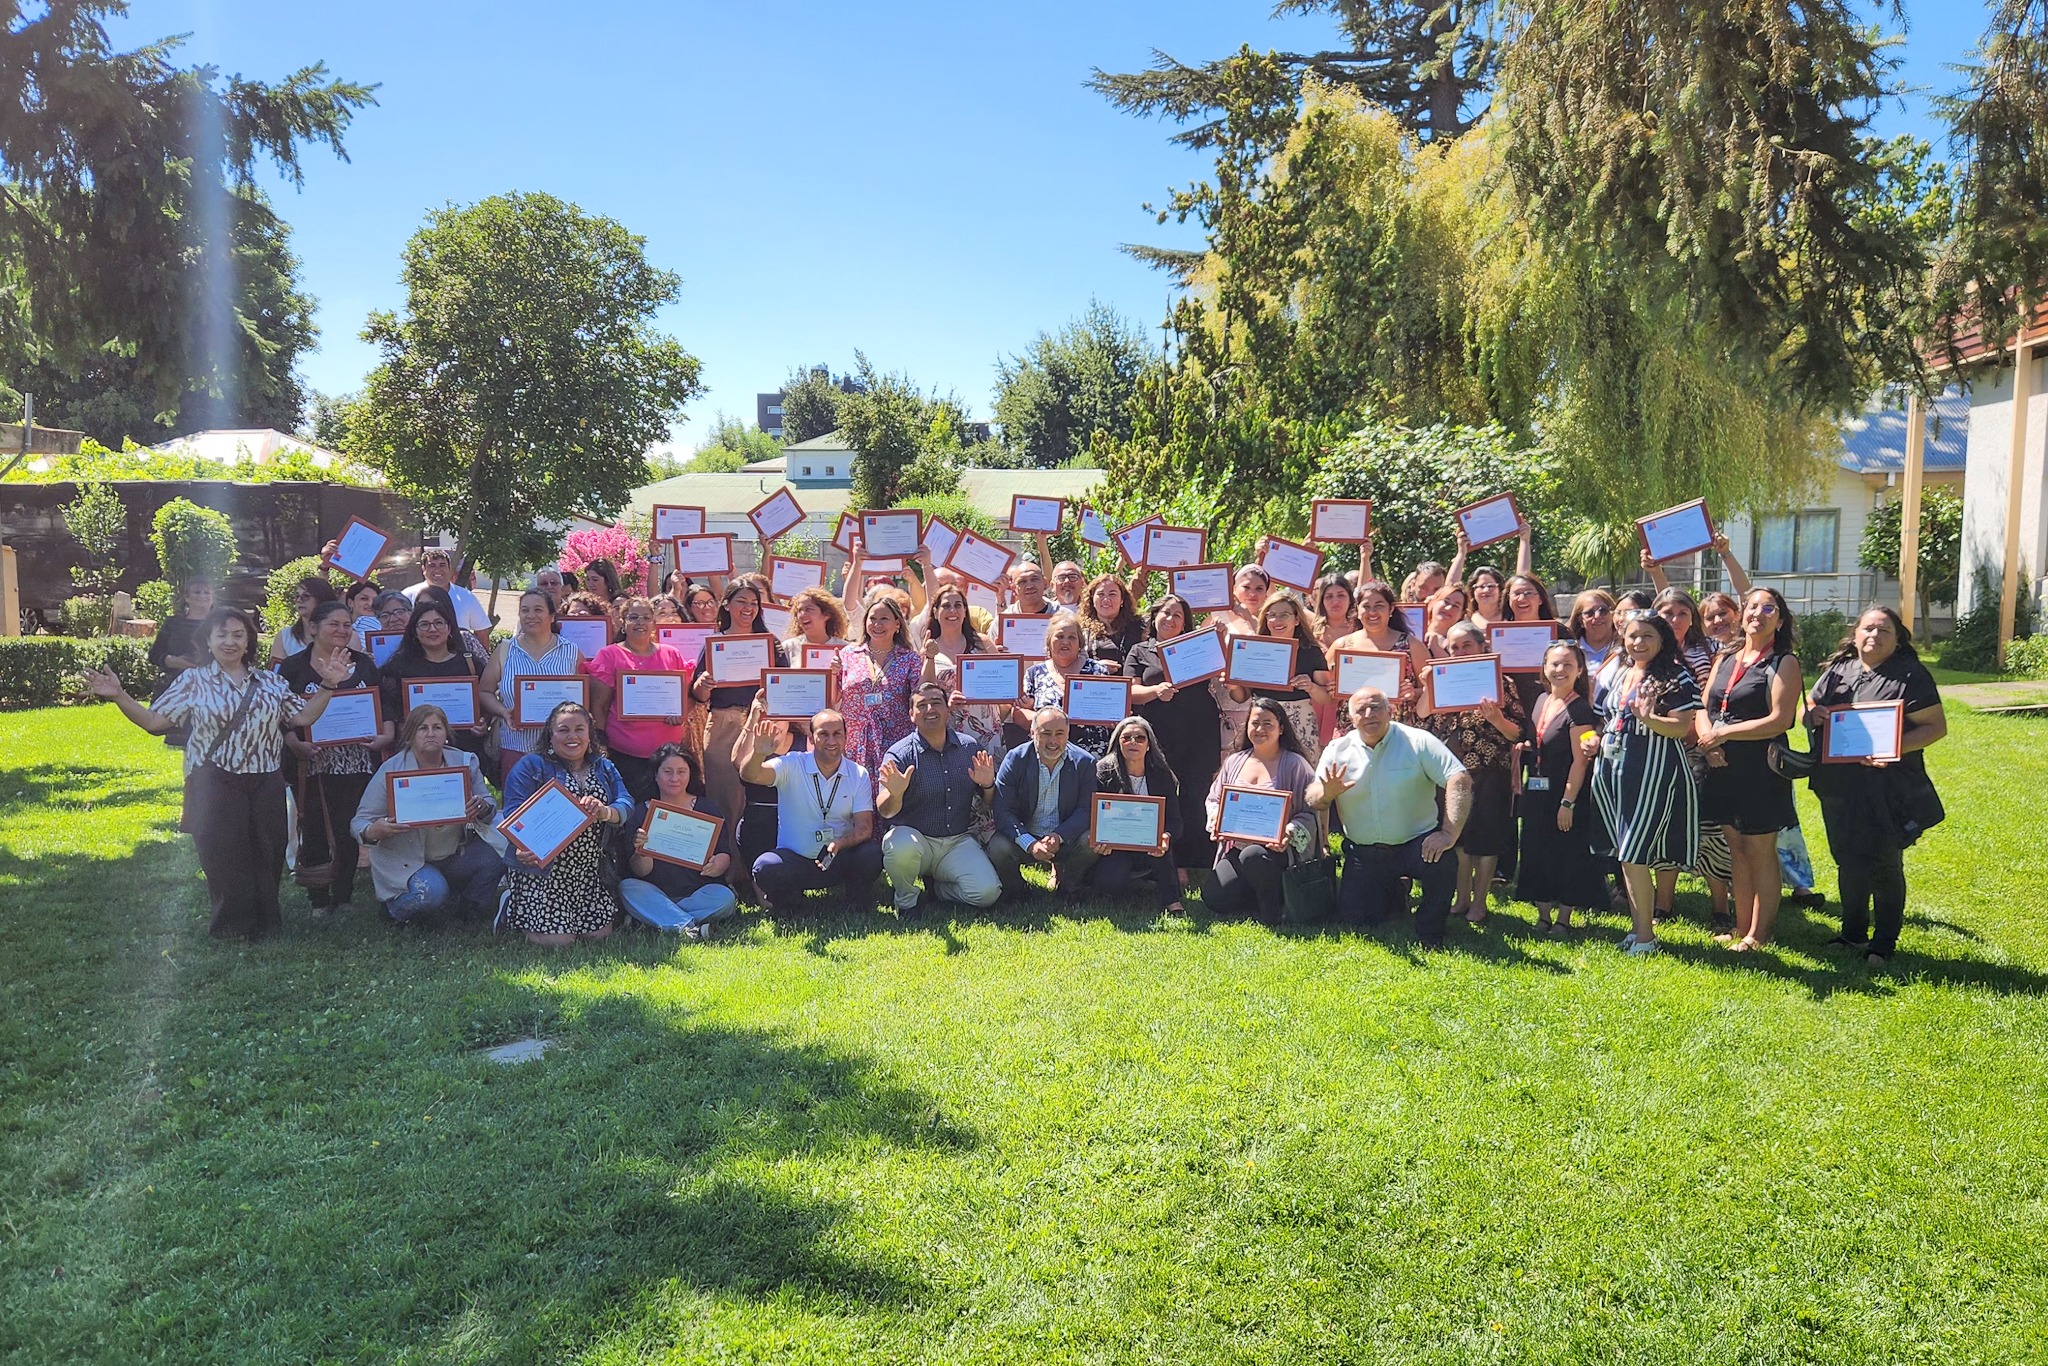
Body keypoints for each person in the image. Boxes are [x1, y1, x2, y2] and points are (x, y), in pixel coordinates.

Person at [85, 607, 351, 938]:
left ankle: (268, 923)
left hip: (266, 779)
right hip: (215, 781)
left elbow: (303, 717)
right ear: (208, 641)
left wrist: (328, 684)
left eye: (238, 635)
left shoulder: (271, 681)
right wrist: (119, 696)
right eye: (221, 634)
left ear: (249, 641)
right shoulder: (193, 681)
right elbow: (154, 722)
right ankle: (232, 928)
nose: (230, 642)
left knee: (268, 852)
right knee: (224, 855)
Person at [1805, 606, 1947, 966]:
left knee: (1884, 862)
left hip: (1888, 785)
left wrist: (1893, 748)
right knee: (1847, 859)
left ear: (1897, 639)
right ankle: (1852, 933)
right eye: (1868, 628)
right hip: (1838, 784)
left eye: (1884, 630)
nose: (1874, 635)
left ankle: (1883, 942)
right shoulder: (1840, 670)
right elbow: (1812, 702)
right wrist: (1813, 712)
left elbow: (1935, 727)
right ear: (1855, 634)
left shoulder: (1910, 675)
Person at [1308, 686, 1471, 947]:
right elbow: (1314, 796)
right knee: (1357, 922)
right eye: (1361, 710)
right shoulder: (1338, 750)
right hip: (1365, 853)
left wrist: (1448, 834)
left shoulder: (1418, 741)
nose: (1369, 714)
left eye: (1376, 707)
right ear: (1351, 718)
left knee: (1443, 861)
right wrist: (1326, 794)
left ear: (1390, 711)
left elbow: (1458, 778)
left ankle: (1431, 929)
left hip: (1417, 845)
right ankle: (1396, 893)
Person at [1585, 610, 1702, 955]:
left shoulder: (1675, 675)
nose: (1638, 642)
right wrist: (1594, 739)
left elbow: (1682, 728)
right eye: (1633, 635)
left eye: (1647, 635)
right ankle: (1637, 931)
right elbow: (1604, 718)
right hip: (1614, 770)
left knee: (1634, 853)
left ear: (1662, 640)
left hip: (1653, 769)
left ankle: (1647, 937)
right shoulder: (1619, 671)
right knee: (1625, 855)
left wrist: (1649, 719)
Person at [1696, 587, 1802, 951]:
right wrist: (1710, 741)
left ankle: (1760, 934)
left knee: (1760, 851)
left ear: (1780, 621)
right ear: (1742, 616)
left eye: (1768, 608)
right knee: (1736, 849)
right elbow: (1703, 707)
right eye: (1752, 606)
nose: (1758, 613)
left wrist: (1724, 733)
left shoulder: (1784, 662)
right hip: (1720, 764)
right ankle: (1742, 927)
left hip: (1759, 768)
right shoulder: (1725, 657)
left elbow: (1780, 720)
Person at [280, 600, 390, 916]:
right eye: (334, 624)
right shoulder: (293, 667)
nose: (342, 630)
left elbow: (384, 706)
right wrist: (294, 744)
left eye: (347, 625)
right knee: (313, 827)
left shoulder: (364, 664)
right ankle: (317, 899)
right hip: (309, 762)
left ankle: (343, 895)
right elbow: (281, 715)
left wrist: (385, 736)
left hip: (356, 762)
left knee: (348, 828)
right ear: (314, 627)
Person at [352, 704, 504, 923]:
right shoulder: (391, 769)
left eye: (437, 727)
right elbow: (359, 821)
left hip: (455, 854)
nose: (431, 733)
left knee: (497, 855)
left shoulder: (465, 762)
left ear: (446, 733)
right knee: (432, 891)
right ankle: (394, 911)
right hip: (407, 860)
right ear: (410, 735)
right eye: (423, 728)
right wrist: (373, 831)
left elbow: (489, 802)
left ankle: (467, 909)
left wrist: (482, 807)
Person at [1415, 621, 1524, 923]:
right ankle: (1461, 898)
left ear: (1482, 647)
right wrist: (1428, 686)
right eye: (1454, 647)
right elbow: (1422, 718)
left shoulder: (1501, 682)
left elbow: (1518, 732)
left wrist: (1497, 719)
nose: (1460, 651)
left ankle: (1480, 903)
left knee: (1486, 841)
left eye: (1467, 645)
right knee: (1458, 840)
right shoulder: (1441, 679)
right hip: (1451, 773)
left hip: (1490, 771)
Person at [498, 701, 632, 943]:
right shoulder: (531, 765)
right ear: (551, 736)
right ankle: (510, 905)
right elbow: (513, 812)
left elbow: (626, 802)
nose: (572, 736)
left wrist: (606, 812)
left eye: (579, 729)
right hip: (543, 872)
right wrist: (521, 845)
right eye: (563, 730)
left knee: (598, 936)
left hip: (589, 872)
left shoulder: (604, 766)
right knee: (560, 942)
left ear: (589, 735)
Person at [875, 683, 1002, 912]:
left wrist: (988, 785)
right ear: (911, 714)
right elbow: (885, 810)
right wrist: (895, 794)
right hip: (916, 842)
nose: (930, 709)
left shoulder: (969, 747)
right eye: (921, 705)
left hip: (956, 842)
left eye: (936, 702)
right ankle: (906, 900)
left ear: (947, 709)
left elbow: (989, 802)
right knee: (898, 844)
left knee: (987, 893)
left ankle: (938, 891)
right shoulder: (899, 754)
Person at [742, 705, 883, 910]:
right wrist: (758, 754)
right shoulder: (792, 763)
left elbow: (864, 828)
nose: (831, 741)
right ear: (811, 737)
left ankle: (855, 901)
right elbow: (750, 775)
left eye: (837, 734)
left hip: (838, 857)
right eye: (823, 734)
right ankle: (790, 905)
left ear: (846, 737)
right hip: (796, 860)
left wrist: (840, 843)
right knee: (765, 867)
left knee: (871, 854)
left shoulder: (858, 773)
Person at [1124, 595, 1220, 877]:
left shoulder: (1196, 647)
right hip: (1158, 732)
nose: (1171, 619)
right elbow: (1130, 690)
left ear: (1185, 623)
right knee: (1162, 795)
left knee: (1195, 794)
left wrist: (1219, 642)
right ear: (1154, 617)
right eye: (1166, 613)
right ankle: (1159, 860)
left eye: (1178, 615)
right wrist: (1155, 691)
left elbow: (1221, 669)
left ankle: (1193, 862)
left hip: (1199, 731)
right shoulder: (1139, 650)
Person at [1202, 696, 1320, 921]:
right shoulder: (1234, 761)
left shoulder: (1296, 765)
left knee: (1254, 856)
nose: (1260, 729)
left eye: (1268, 723)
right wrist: (1217, 819)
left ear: (1281, 728)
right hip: (1239, 846)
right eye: (1255, 723)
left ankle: (1272, 910)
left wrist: (1288, 832)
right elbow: (1214, 799)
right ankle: (1261, 892)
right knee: (1214, 897)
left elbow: (1310, 812)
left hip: (1278, 851)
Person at [1516, 642, 1606, 933]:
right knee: (1536, 850)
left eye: (1568, 664)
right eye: (1554, 663)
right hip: (1537, 790)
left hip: (1566, 792)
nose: (1560, 670)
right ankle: (1543, 915)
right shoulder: (1541, 700)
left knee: (1567, 853)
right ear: (1544, 668)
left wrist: (1567, 803)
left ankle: (1563, 919)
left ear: (1579, 670)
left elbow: (1581, 761)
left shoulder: (1580, 709)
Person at [616, 743, 740, 939]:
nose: (675, 778)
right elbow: (640, 871)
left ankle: (658, 916)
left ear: (690, 774)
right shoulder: (641, 812)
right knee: (628, 888)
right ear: (655, 775)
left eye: (681, 771)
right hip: (654, 890)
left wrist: (718, 864)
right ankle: (688, 926)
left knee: (725, 898)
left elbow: (724, 852)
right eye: (667, 772)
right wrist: (642, 852)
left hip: (699, 893)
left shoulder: (707, 808)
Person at [691, 579, 770, 864]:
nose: (748, 608)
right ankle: (725, 867)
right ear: (726, 604)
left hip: (760, 725)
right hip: (722, 725)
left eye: (754, 603)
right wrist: (703, 685)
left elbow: (782, 684)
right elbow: (698, 695)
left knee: (755, 799)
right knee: (723, 797)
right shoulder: (714, 644)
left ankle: (754, 868)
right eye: (741, 601)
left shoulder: (770, 643)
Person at [585, 596, 691, 801]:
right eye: (633, 617)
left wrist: (679, 714)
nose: (640, 622)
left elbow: (682, 699)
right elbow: (600, 706)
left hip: (667, 755)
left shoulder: (672, 654)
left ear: (654, 623)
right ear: (623, 622)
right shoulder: (609, 655)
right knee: (630, 809)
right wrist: (600, 745)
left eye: (646, 617)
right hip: (624, 754)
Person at [989, 706, 1100, 895]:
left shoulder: (1084, 762)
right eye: (1046, 733)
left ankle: (1069, 885)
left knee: (1091, 841)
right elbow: (1003, 811)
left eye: (1060, 734)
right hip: (1026, 835)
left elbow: (1086, 809)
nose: (1053, 741)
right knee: (998, 847)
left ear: (1068, 734)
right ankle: (1018, 890)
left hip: (1065, 837)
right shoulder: (1015, 759)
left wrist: (1059, 835)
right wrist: (1030, 843)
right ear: (1032, 733)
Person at [479, 590, 586, 783]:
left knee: (561, 801)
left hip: (562, 751)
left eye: (538, 610)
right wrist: (503, 712)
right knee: (517, 801)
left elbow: (585, 698)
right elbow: (485, 691)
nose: (530, 615)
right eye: (525, 610)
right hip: (516, 747)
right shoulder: (505, 650)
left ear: (551, 616)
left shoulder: (571, 652)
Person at [1088, 716, 1185, 913]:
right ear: (1118, 742)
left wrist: (1166, 836)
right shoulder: (1103, 771)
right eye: (1127, 738)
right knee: (1110, 884)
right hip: (1115, 847)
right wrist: (1099, 839)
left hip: (1150, 845)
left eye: (1140, 738)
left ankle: (1172, 902)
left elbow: (1175, 822)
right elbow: (1092, 813)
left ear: (1148, 745)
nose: (1133, 742)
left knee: (1161, 846)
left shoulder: (1162, 774)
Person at [378, 595, 488, 764]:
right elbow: (387, 706)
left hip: (464, 751)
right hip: (418, 755)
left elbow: (486, 699)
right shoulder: (399, 667)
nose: (432, 629)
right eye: (424, 624)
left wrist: (484, 722)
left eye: (439, 623)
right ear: (414, 631)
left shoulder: (470, 663)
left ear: (449, 628)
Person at [1226, 593, 1331, 762]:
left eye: (1284, 615)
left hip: (1299, 722)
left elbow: (1327, 698)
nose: (1277, 620)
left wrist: (1311, 687)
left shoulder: (1311, 651)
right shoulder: (1254, 649)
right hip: (1262, 721)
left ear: (1296, 619)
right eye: (1272, 615)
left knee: (1300, 773)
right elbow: (1241, 697)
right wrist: (1233, 687)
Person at [837, 594, 921, 786]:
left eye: (884, 619)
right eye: (872, 618)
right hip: (854, 744)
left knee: (891, 796)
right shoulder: (848, 654)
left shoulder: (909, 658)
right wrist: (833, 672)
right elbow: (834, 696)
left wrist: (930, 660)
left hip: (895, 743)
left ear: (897, 624)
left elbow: (919, 696)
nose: (877, 624)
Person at [1332, 580, 1429, 724]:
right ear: (1357, 610)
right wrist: (1331, 689)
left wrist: (1412, 693)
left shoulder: (1412, 645)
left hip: (1397, 727)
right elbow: (1325, 689)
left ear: (1391, 609)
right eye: (1366, 606)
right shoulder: (1342, 646)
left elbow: (1431, 688)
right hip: (1352, 727)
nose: (1372, 612)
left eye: (1379, 606)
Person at [1019, 612, 1113, 759]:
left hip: (1091, 754)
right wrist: (1048, 721)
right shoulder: (1034, 673)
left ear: (1080, 643)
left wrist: (1114, 716)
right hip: (1047, 754)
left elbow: (1110, 708)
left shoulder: (1097, 671)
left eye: (1072, 637)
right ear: (1049, 642)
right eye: (1060, 636)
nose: (1065, 642)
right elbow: (1019, 713)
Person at [147, 578, 216, 747]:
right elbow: (154, 654)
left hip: (213, 690)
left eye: (207, 592)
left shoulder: (221, 624)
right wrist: (174, 661)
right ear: (187, 597)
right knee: (185, 746)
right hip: (178, 690)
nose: (203, 596)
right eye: (197, 592)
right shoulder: (173, 624)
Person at [403, 547, 493, 631]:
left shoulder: (466, 597)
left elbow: (482, 631)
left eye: (442, 565)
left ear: (449, 568)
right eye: (432, 565)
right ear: (423, 569)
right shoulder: (408, 596)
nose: (437, 569)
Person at [1080, 574, 1145, 674]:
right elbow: (1069, 662)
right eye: (1101, 594)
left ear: (1122, 600)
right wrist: (1096, 667)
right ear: (1092, 599)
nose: (1106, 599)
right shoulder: (1080, 630)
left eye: (1112, 594)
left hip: (1132, 682)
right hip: (1095, 682)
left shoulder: (1140, 626)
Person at [268, 574, 339, 665]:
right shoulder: (285, 636)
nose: (299, 600)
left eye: (306, 596)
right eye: (296, 596)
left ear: (321, 599)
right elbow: (276, 671)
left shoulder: (341, 634)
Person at [1566, 589, 1619, 673]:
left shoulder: (1625, 649)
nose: (1597, 616)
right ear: (1580, 621)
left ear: (1613, 614)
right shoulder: (1569, 651)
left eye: (1603, 610)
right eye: (1589, 613)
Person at [1421, 582, 1471, 659]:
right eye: (1446, 601)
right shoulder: (1414, 630)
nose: (1448, 608)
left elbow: (1455, 666)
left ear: (1461, 614)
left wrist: (1435, 647)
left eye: (1456, 606)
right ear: (1434, 602)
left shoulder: (1462, 642)